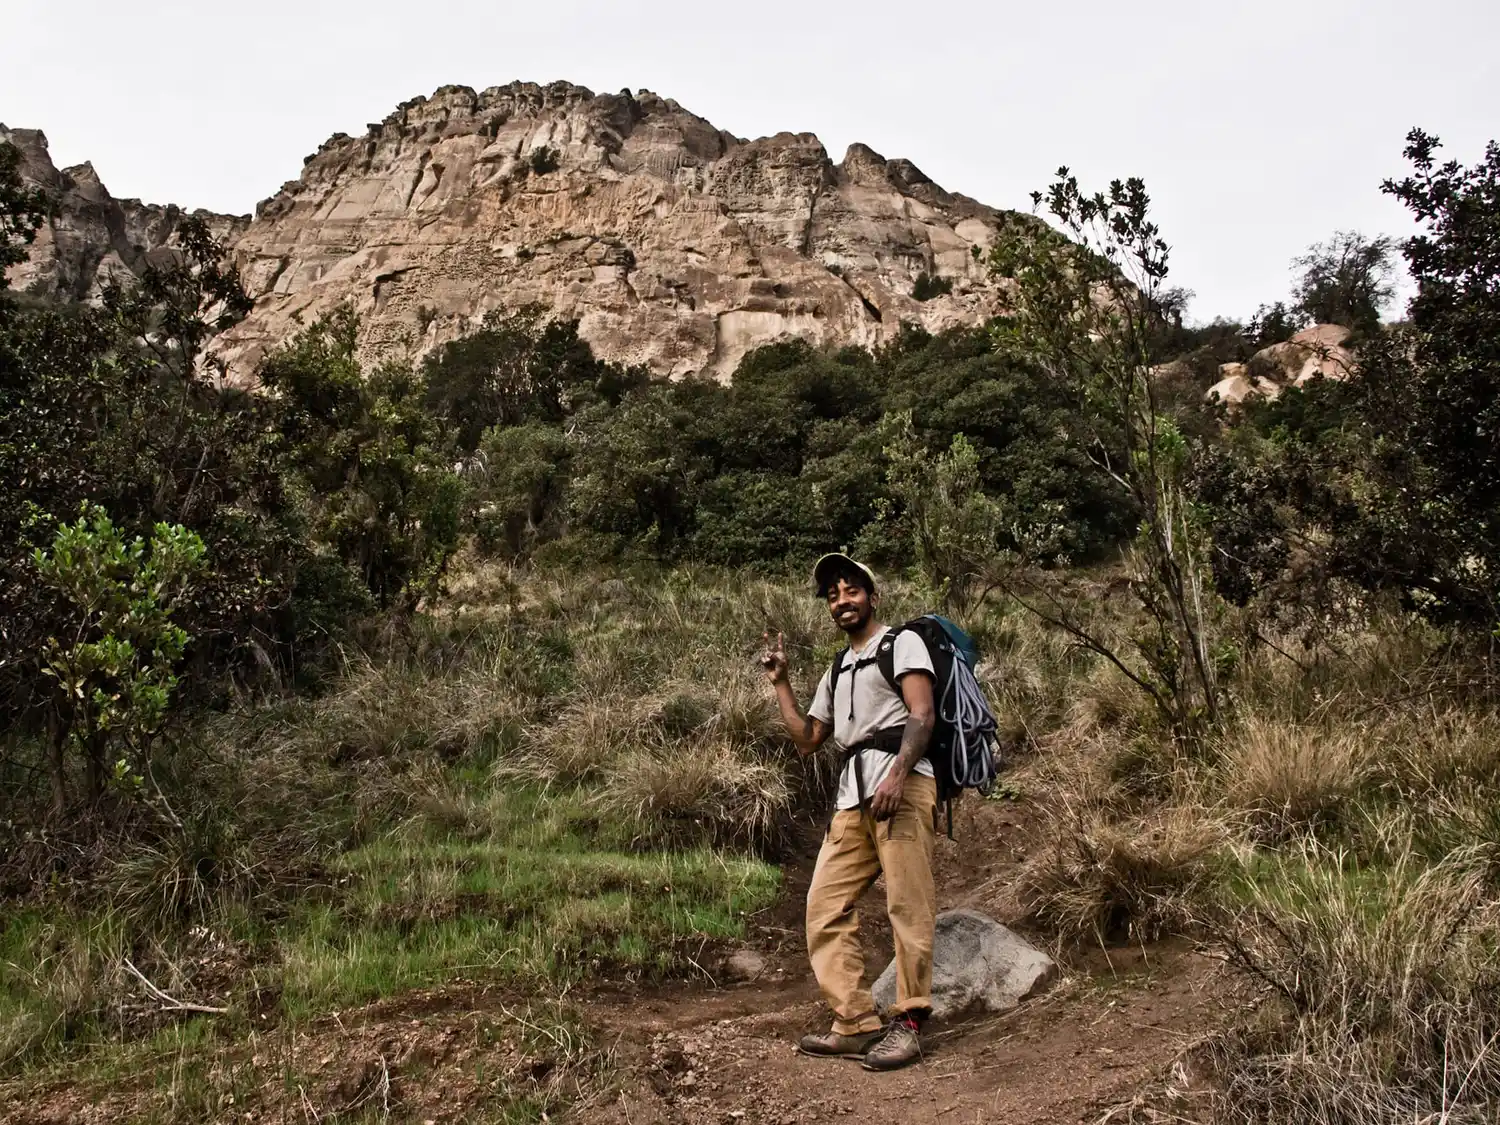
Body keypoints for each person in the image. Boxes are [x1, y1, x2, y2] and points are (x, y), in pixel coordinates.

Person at [760, 553, 937, 1072]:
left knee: (908, 904)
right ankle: (857, 1023)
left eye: (851, 590)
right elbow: (809, 739)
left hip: (902, 787)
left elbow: (922, 715)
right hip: (850, 798)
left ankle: (909, 1023)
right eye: (834, 595)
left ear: (872, 596)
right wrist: (780, 683)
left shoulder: (902, 643)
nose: (842, 601)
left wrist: (899, 774)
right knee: (823, 905)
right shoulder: (837, 668)